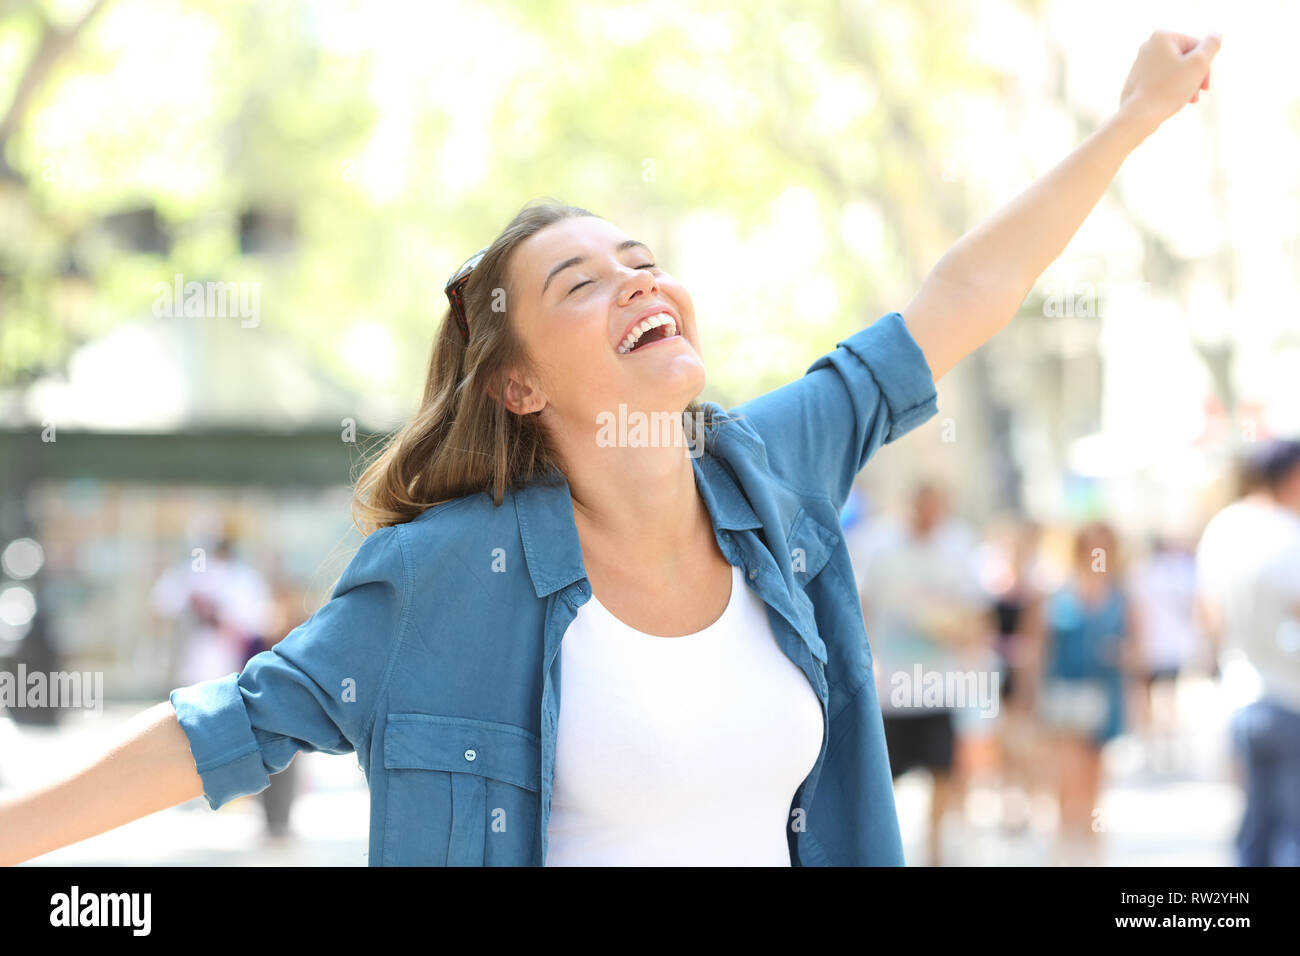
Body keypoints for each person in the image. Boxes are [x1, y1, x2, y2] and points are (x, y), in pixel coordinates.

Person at [0, 30, 1222, 866]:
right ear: (517, 379)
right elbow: (228, 725)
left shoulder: (771, 469)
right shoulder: (442, 573)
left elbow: (959, 295)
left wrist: (1128, 121)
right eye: (581, 280)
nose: (639, 281)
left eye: (641, 259)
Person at [854, 481, 986, 866]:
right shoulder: (879, 545)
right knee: (884, 781)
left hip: (938, 686)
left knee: (942, 775)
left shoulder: (959, 546)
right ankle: (882, 850)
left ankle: (935, 855)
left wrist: (954, 628)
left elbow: (976, 614)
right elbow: (862, 605)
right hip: (891, 688)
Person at [1195, 439, 1300, 866]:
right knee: (1292, 829)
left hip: (1241, 696)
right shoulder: (1288, 533)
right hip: (1289, 696)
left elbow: (1208, 616)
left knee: (1257, 825)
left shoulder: (1224, 526)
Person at [1038, 521, 1137, 866]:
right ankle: (1065, 853)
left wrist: (1122, 655)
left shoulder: (1121, 596)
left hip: (1103, 697)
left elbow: (1139, 652)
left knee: (1094, 786)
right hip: (1065, 696)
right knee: (1067, 781)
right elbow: (1039, 648)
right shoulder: (1058, 592)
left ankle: (1091, 856)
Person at [1126, 533, 1205, 773]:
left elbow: (1136, 612)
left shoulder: (1144, 572)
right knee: (1168, 698)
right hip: (1175, 647)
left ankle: (1154, 748)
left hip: (1153, 646)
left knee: (1149, 699)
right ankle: (1168, 747)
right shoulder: (1184, 571)